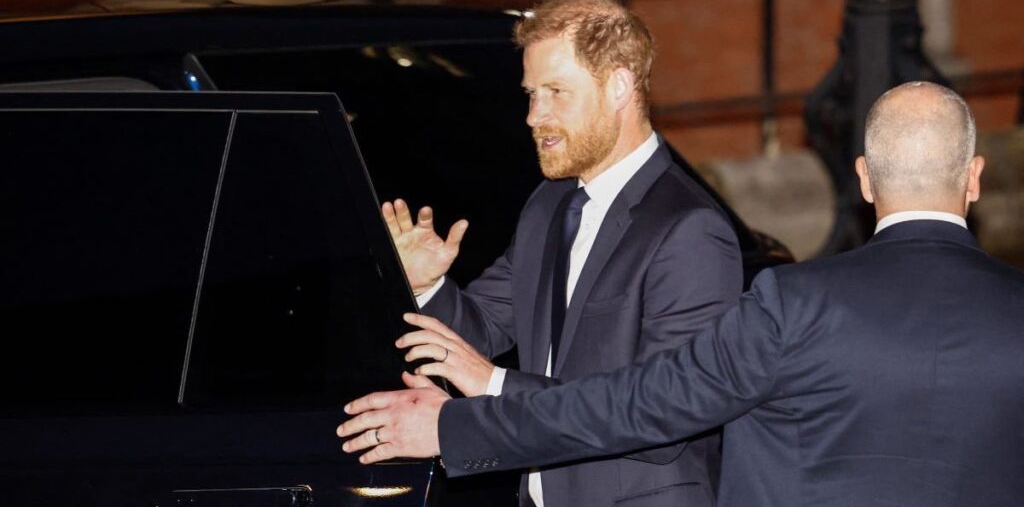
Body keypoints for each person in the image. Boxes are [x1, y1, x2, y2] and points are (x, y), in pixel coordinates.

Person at [339, 81, 1024, 506]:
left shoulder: (794, 306)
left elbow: (634, 406)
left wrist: (456, 423)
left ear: (865, 180)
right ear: (975, 178)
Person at [374, 0, 742, 505]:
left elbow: (662, 421)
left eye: (555, 92)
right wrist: (427, 284)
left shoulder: (689, 229)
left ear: (619, 87)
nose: (533, 115)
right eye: (529, 93)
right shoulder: (550, 205)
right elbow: (481, 329)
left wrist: (493, 387)